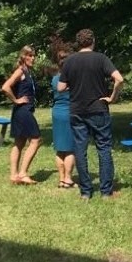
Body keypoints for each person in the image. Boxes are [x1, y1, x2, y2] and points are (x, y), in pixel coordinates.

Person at [58, 29, 124, 200]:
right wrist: (112, 97)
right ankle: (105, 192)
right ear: (93, 41)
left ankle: (86, 192)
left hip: (77, 110)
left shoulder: (69, 61)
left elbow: (60, 88)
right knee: (103, 149)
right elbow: (119, 79)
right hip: (98, 109)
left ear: (78, 43)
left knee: (80, 150)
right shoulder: (101, 58)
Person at [1, 45, 42, 185]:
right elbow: (5, 87)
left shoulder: (28, 71)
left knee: (19, 142)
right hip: (23, 110)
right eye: (29, 55)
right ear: (23, 56)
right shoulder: (20, 71)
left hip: (22, 111)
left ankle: (14, 175)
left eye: (33, 55)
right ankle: (23, 174)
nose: (33, 58)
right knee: (36, 140)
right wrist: (16, 100)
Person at [51, 48, 76, 189]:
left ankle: (61, 179)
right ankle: (68, 179)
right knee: (70, 148)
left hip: (56, 113)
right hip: (69, 113)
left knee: (60, 149)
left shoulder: (55, 79)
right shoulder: (72, 79)